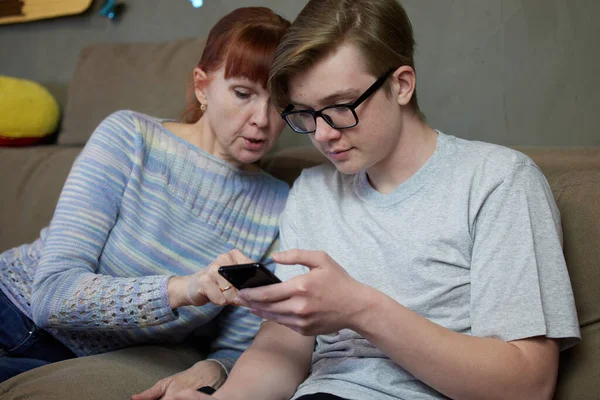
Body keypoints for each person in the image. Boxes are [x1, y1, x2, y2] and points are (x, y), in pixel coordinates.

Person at [176, 0, 581, 399]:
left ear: (401, 84)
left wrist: (360, 309)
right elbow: (282, 349)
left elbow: (529, 386)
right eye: (305, 114)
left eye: (338, 106)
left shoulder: (498, 181)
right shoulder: (313, 192)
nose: (322, 134)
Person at [0, 6, 290, 390]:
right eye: (243, 93)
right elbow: (52, 295)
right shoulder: (131, 137)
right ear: (202, 86)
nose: (262, 120)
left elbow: (239, 342)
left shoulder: (279, 205)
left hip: (74, 362)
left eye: (280, 102)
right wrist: (184, 289)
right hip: (12, 308)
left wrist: (217, 369)